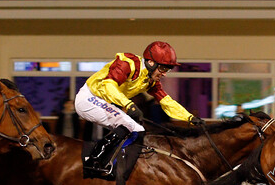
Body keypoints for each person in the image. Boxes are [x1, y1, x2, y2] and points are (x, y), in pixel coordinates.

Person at [75, 41, 203, 173]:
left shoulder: (150, 80)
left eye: (167, 70)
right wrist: (129, 105)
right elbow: (108, 85)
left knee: (136, 129)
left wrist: (189, 117)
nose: (164, 73)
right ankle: (95, 160)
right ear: (151, 63)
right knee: (132, 126)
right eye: (163, 68)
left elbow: (166, 101)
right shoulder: (127, 64)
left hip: (102, 102)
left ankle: (110, 162)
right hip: (88, 99)